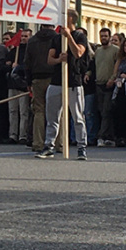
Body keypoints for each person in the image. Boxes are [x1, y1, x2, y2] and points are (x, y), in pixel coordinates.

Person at [35, 12, 90, 160]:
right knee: (52, 116)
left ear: (70, 19)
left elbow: (78, 53)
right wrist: (59, 59)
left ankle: (81, 147)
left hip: (74, 81)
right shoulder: (56, 38)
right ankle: (49, 146)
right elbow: (50, 59)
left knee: (78, 116)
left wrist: (69, 37)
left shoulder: (80, 36)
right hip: (56, 81)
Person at [24, 23, 59, 153]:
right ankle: (58, 143)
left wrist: (28, 81)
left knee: (38, 111)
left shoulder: (33, 40)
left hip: (37, 78)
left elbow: (27, 62)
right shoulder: (58, 38)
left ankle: (37, 142)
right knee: (57, 111)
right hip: (54, 77)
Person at [94, 28, 118, 146]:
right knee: (101, 111)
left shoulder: (115, 50)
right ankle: (109, 136)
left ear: (109, 37)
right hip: (98, 83)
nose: (103, 38)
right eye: (101, 36)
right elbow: (94, 66)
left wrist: (112, 78)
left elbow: (117, 66)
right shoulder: (97, 51)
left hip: (110, 84)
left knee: (107, 110)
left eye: (105, 36)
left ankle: (102, 136)